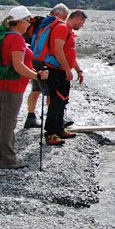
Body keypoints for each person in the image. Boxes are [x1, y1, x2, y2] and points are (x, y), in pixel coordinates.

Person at [0, 6, 49, 169]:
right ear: (20, 22)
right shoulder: (16, 39)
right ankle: (8, 159)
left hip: (1, 84)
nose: (30, 23)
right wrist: (37, 75)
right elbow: (18, 66)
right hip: (12, 86)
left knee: (2, 122)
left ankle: (0, 156)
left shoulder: (4, 35)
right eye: (28, 20)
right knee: (8, 123)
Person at [23, 3, 70, 129]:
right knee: (51, 93)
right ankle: (54, 120)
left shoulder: (40, 22)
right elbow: (56, 47)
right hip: (46, 63)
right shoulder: (55, 24)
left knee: (36, 90)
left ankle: (31, 117)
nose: (64, 20)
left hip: (35, 59)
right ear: (58, 14)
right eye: (64, 17)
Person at [44, 9, 87, 146]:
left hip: (62, 71)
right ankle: (50, 134)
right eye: (82, 22)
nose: (82, 26)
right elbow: (58, 50)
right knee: (56, 102)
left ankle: (59, 129)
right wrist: (67, 69)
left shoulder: (68, 31)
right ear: (77, 19)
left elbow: (70, 54)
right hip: (56, 71)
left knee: (62, 101)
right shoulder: (62, 28)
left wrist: (78, 70)